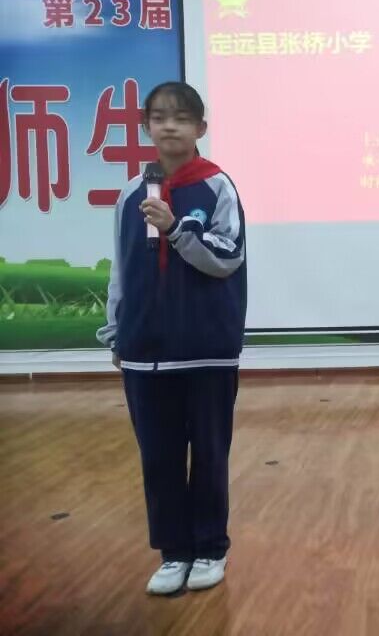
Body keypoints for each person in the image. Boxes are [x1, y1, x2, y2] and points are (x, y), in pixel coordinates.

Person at [97, 82, 247, 595]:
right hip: (145, 354)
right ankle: (173, 552)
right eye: (160, 118)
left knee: (209, 454)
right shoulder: (131, 194)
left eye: (181, 118)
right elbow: (121, 269)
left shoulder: (217, 187)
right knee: (158, 458)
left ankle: (209, 548)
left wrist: (176, 228)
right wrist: (117, 332)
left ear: (200, 128)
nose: (169, 127)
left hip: (206, 351)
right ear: (146, 127)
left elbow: (227, 257)